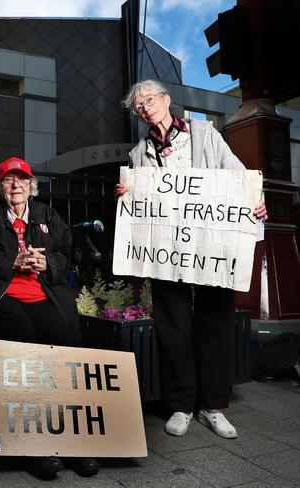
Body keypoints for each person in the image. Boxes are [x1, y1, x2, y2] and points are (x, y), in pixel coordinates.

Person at [116, 79, 267, 439]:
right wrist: (128, 192)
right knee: (173, 328)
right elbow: (141, 206)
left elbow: (237, 175)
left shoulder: (204, 134)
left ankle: (213, 407)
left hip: (211, 247)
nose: (145, 108)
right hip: (167, 252)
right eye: (139, 107)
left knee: (215, 324)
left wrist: (253, 201)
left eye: (149, 100)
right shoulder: (139, 154)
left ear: (166, 100)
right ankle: (181, 405)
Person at [0, 157, 100, 480]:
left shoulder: (47, 215)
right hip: (2, 294)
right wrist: (14, 261)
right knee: (24, 343)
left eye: (22, 180)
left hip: (42, 293)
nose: (16, 186)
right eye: (9, 180)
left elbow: (68, 254)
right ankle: (33, 445)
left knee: (63, 342)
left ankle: (72, 441)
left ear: (31, 185)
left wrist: (46, 262)